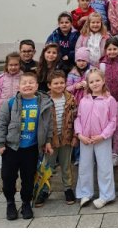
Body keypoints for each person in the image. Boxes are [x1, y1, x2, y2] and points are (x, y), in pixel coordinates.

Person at [0, 70, 52, 221]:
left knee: (28, 177)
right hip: (12, 148)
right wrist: (0, 143)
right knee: (8, 177)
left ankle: (26, 202)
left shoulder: (43, 102)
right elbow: (1, 124)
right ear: (18, 86)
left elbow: (48, 125)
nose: (28, 85)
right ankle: (10, 202)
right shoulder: (11, 103)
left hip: (32, 148)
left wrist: (47, 141)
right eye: (24, 83)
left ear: (37, 85)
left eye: (31, 83)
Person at [74, 67, 116, 209]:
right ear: (88, 84)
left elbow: (113, 121)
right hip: (85, 138)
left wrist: (103, 135)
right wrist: (80, 135)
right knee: (84, 166)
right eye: (92, 81)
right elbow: (78, 119)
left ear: (103, 81)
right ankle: (85, 193)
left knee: (104, 167)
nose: (95, 84)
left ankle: (106, 195)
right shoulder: (83, 100)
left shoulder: (109, 100)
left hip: (102, 138)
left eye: (98, 80)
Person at [38, 70, 78, 207]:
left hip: (66, 138)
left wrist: (75, 136)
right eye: (56, 83)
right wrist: (45, 141)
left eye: (62, 83)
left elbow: (76, 118)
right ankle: (44, 190)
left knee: (66, 165)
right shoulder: (44, 101)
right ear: (49, 85)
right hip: (50, 141)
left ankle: (68, 189)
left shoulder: (71, 99)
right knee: (47, 166)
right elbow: (42, 122)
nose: (59, 85)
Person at [99, 38, 118, 166]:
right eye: (109, 49)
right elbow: (98, 83)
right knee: (105, 125)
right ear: (106, 50)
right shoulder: (101, 65)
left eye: (114, 49)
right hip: (105, 99)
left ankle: (115, 153)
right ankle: (104, 152)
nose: (112, 52)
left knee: (117, 124)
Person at [0, 52, 22, 121]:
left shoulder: (23, 78)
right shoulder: (1, 79)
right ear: (6, 65)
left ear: (20, 65)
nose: (13, 67)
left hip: (19, 112)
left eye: (16, 65)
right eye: (10, 65)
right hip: (3, 112)